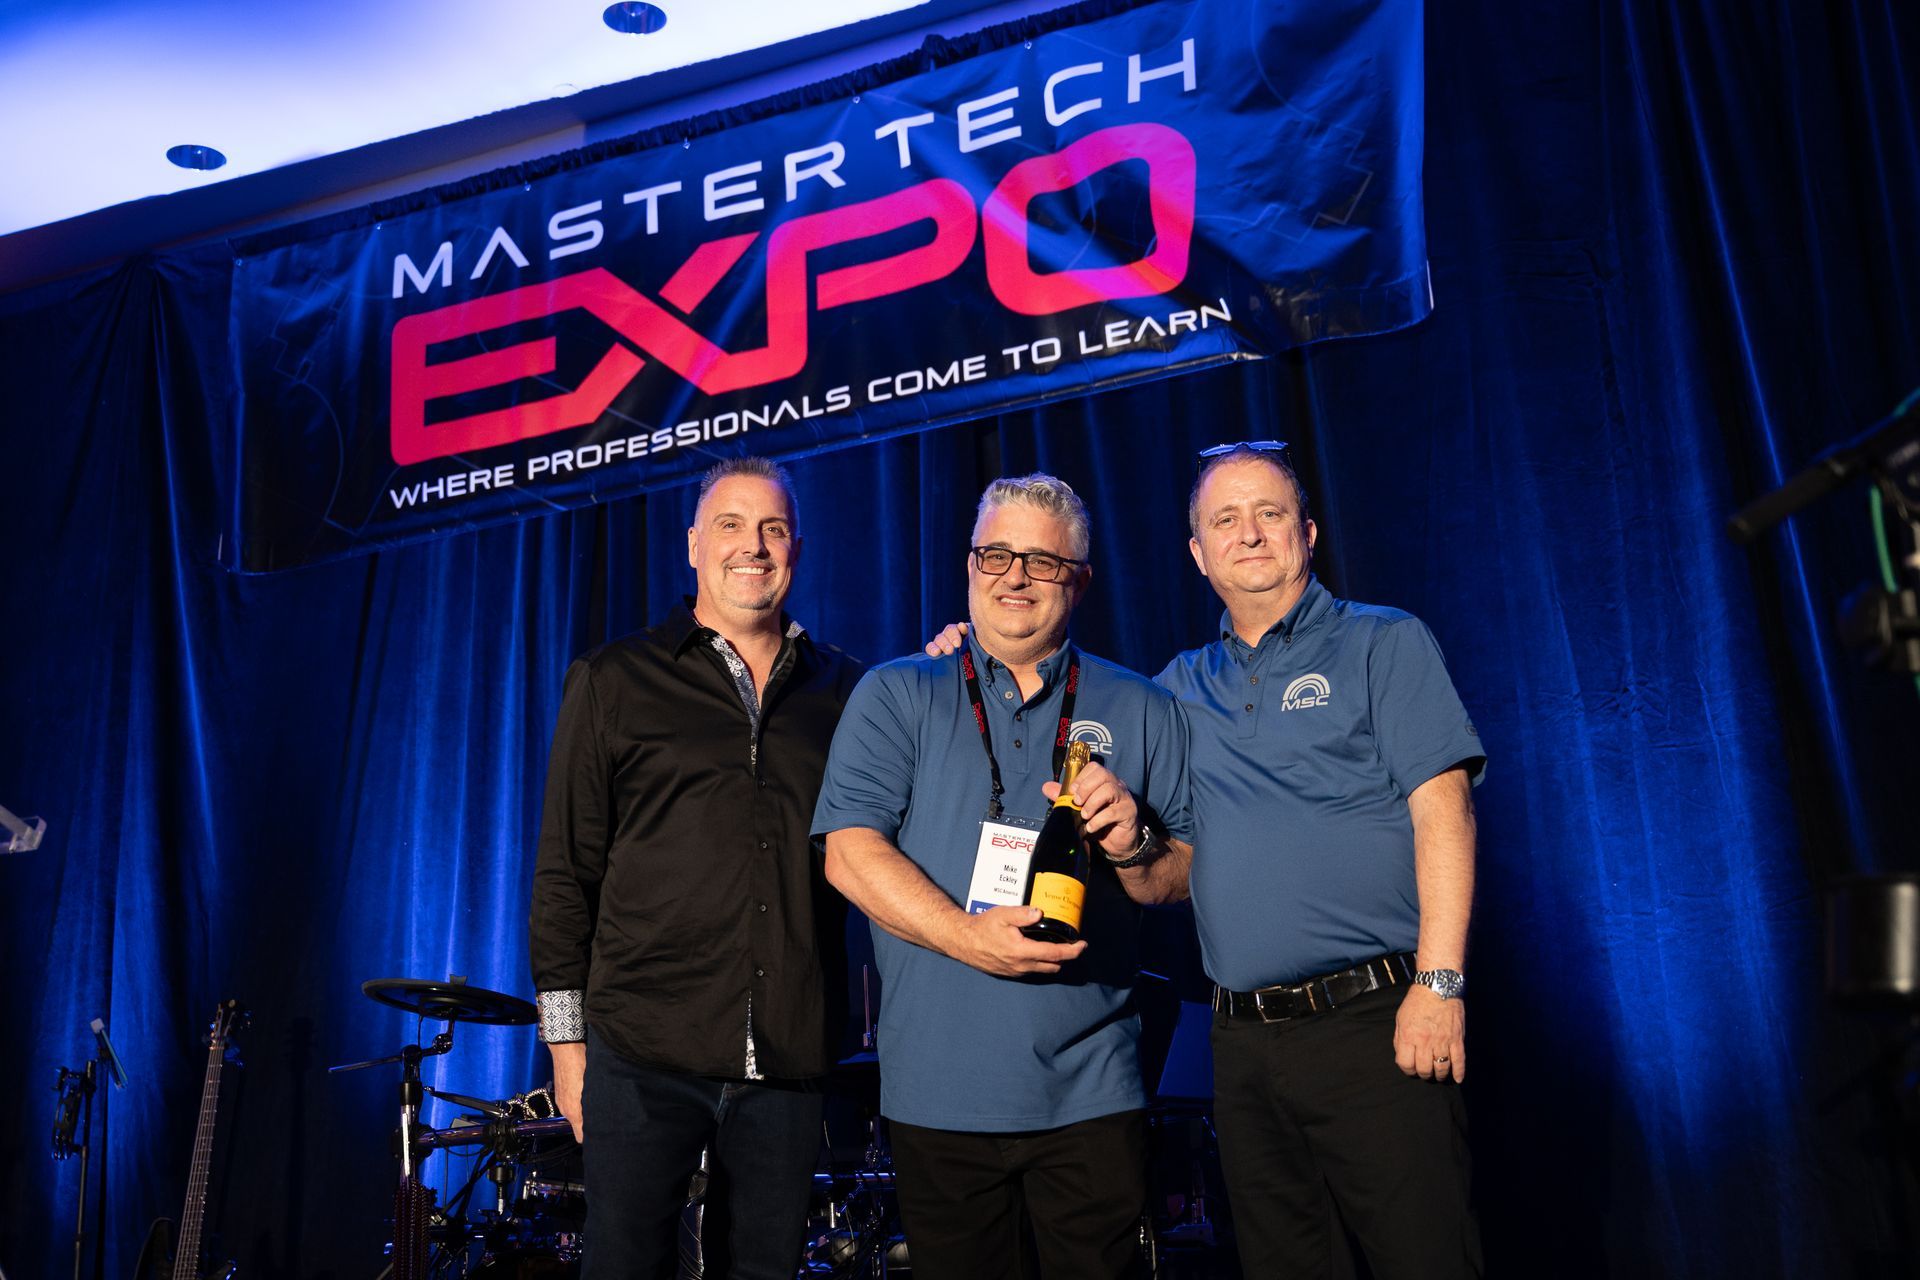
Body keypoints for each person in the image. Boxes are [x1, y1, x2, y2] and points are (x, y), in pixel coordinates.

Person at [925, 444, 1485, 1278]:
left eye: (1268, 515)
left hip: (1376, 1023)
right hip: (1243, 1044)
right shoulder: (1176, 690)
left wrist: (1439, 987)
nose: (1248, 534)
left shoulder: (1383, 641)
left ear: (1308, 531)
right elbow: (1071, 730)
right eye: (1224, 520)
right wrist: (972, 657)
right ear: (1198, 553)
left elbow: (1446, 812)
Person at [813, 474, 1193, 1280]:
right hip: (937, 1100)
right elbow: (846, 850)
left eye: (1042, 562)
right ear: (969, 565)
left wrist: (1132, 847)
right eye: (996, 554)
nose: (1014, 576)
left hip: (1093, 1096)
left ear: (1080, 580)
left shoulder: (1144, 705)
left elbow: (1183, 880)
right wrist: (966, 936)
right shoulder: (898, 692)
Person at [528, 456, 864, 1280]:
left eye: (773, 529)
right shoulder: (614, 680)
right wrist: (568, 1051)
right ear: (692, 546)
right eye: (731, 526)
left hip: (786, 1055)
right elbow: (565, 873)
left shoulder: (849, 692)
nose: (753, 546)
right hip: (642, 1050)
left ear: (797, 548)